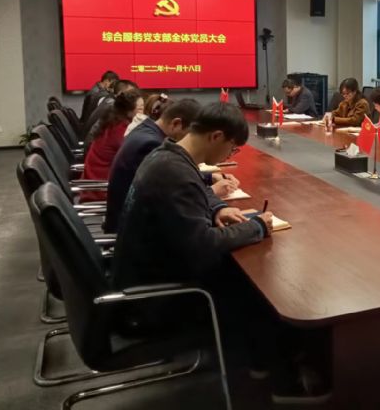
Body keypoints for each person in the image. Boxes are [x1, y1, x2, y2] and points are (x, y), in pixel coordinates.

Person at [112, 102, 330, 403]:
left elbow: (197, 194)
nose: (230, 156)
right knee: (258, 285)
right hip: (155, 300)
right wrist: (257, 226)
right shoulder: (174, 172)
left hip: (148, 274)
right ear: (216, 136)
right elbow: (203, 244)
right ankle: (281, 377)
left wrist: (218, 209)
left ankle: (264, 359)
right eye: (232, 148)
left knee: (244, 272)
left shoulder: (167, 156)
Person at [105, 98, 239, 233]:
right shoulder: (153, 145)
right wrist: (213, 190)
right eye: (192, 133)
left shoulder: (147, 130)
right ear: (176, 124)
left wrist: (210, 177)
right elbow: (175, 191)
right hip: (130, 227)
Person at [81, 89, 143, 201]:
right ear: (128, 111)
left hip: (97, 184)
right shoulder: (120, 129)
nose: (144, 114)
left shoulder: (113, 121)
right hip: (101, 190)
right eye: (140, 109)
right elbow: (137, 160)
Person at [84, 79, 139, 150]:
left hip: (92, 147)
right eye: (131, 95)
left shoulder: (109, 100)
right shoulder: (114, 107)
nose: (134, 98)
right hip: (92, 149)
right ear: (121, 93)